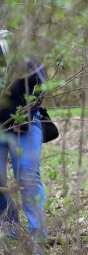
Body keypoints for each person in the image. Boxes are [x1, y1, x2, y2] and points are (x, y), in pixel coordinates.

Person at [0, 31, 47, 244]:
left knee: (27, 176)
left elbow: (40, 85)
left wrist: (24, 117)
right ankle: (9, 234)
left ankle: (38, 243)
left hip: (23, 125)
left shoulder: (24, 57)